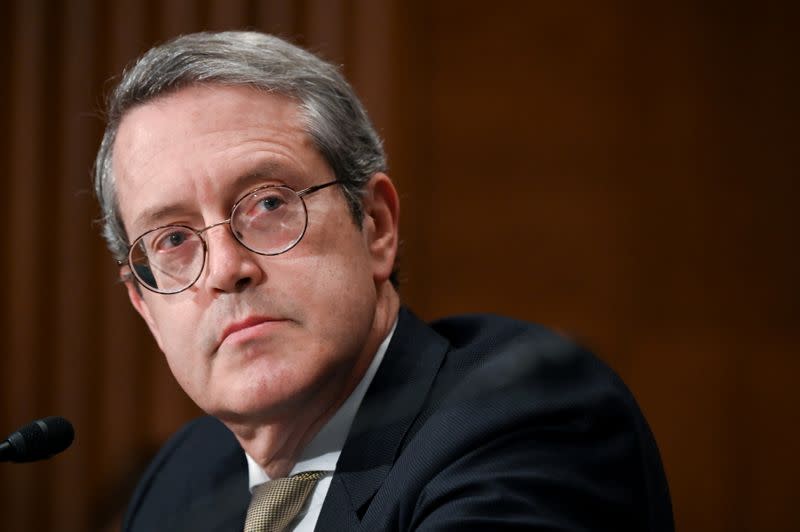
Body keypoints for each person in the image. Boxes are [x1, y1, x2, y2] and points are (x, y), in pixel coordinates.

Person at [93, 31, 673, 531]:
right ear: (144, 306)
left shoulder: (526, 417)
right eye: (172, 239)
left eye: (268, 203)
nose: (225, 269)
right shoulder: (180, 483)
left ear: (374, 226)